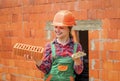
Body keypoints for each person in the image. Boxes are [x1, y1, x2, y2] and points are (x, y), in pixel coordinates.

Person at [35, 10, 84, 81]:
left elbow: (78, 71)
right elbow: (46, 69)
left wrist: (77, 61)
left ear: (69, 29)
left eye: (61, 27)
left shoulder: (76, 47)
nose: (57, 30)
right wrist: (37, 60)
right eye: (55, 27)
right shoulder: (49, 46)